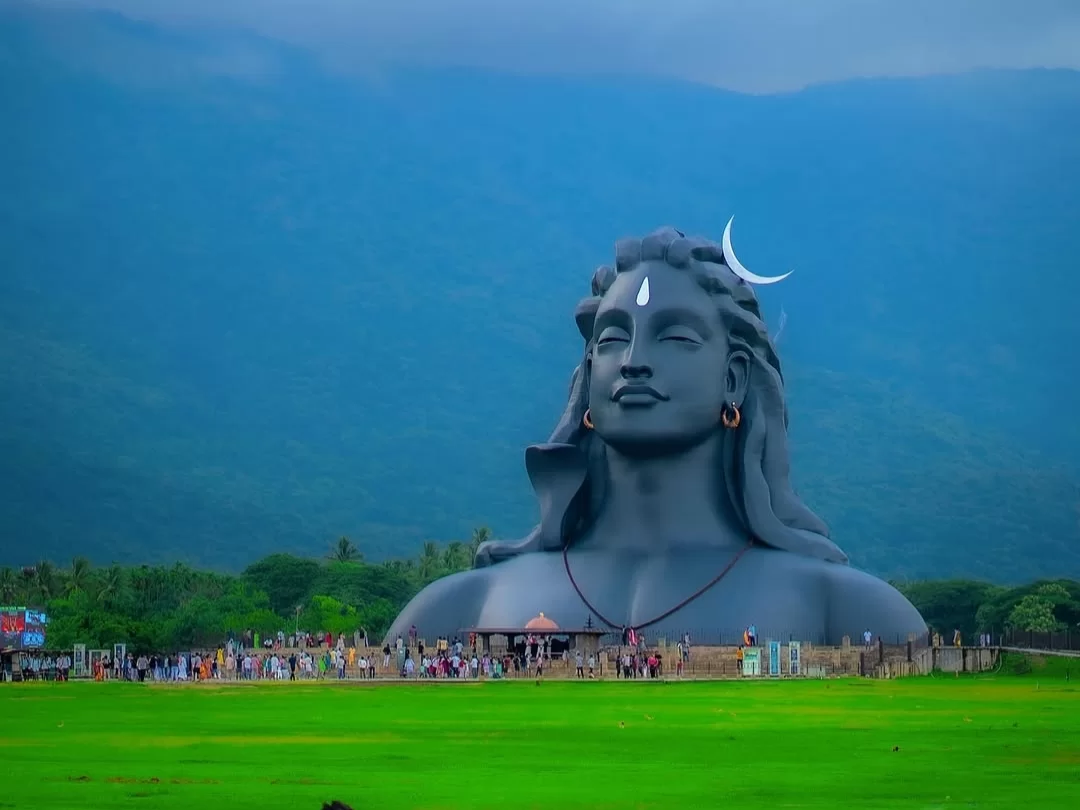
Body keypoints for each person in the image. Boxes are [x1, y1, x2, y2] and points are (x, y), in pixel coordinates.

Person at [386, 224, 927, 644]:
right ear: (588, 373)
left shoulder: (846, 609)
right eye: (613, 339)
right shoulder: (456, 608)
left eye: (676, 337)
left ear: (734, 377)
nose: (634, 362)